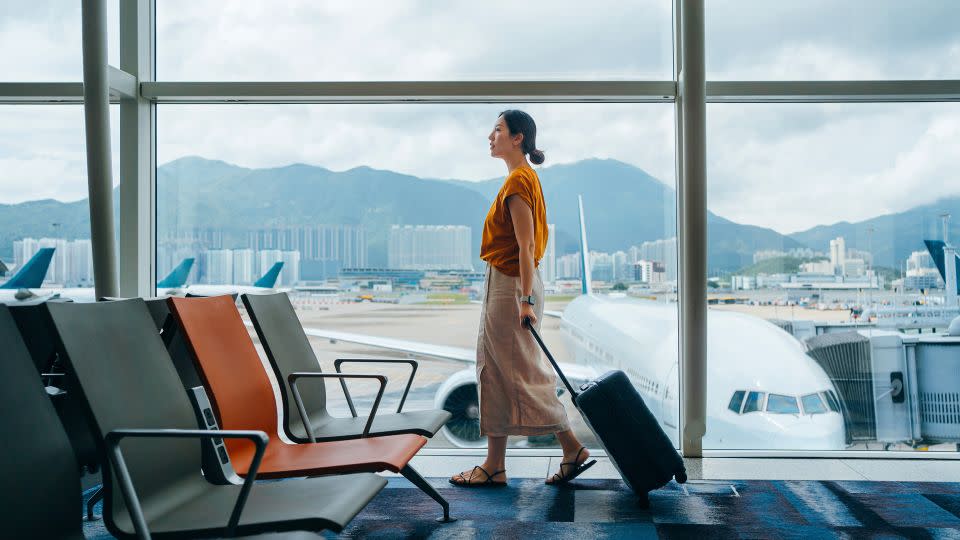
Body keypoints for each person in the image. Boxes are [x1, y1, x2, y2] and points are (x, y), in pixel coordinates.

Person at [449, 110, 595, 487]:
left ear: (518, 138)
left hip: (512, 285)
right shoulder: (523, 178)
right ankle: (496, 463)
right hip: (509, 283)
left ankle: (569, 447)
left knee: (519, 371)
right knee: (496, 370)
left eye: (497, 130)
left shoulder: (518, 182)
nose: (490, 136)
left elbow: (526, 246)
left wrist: (525, 299)